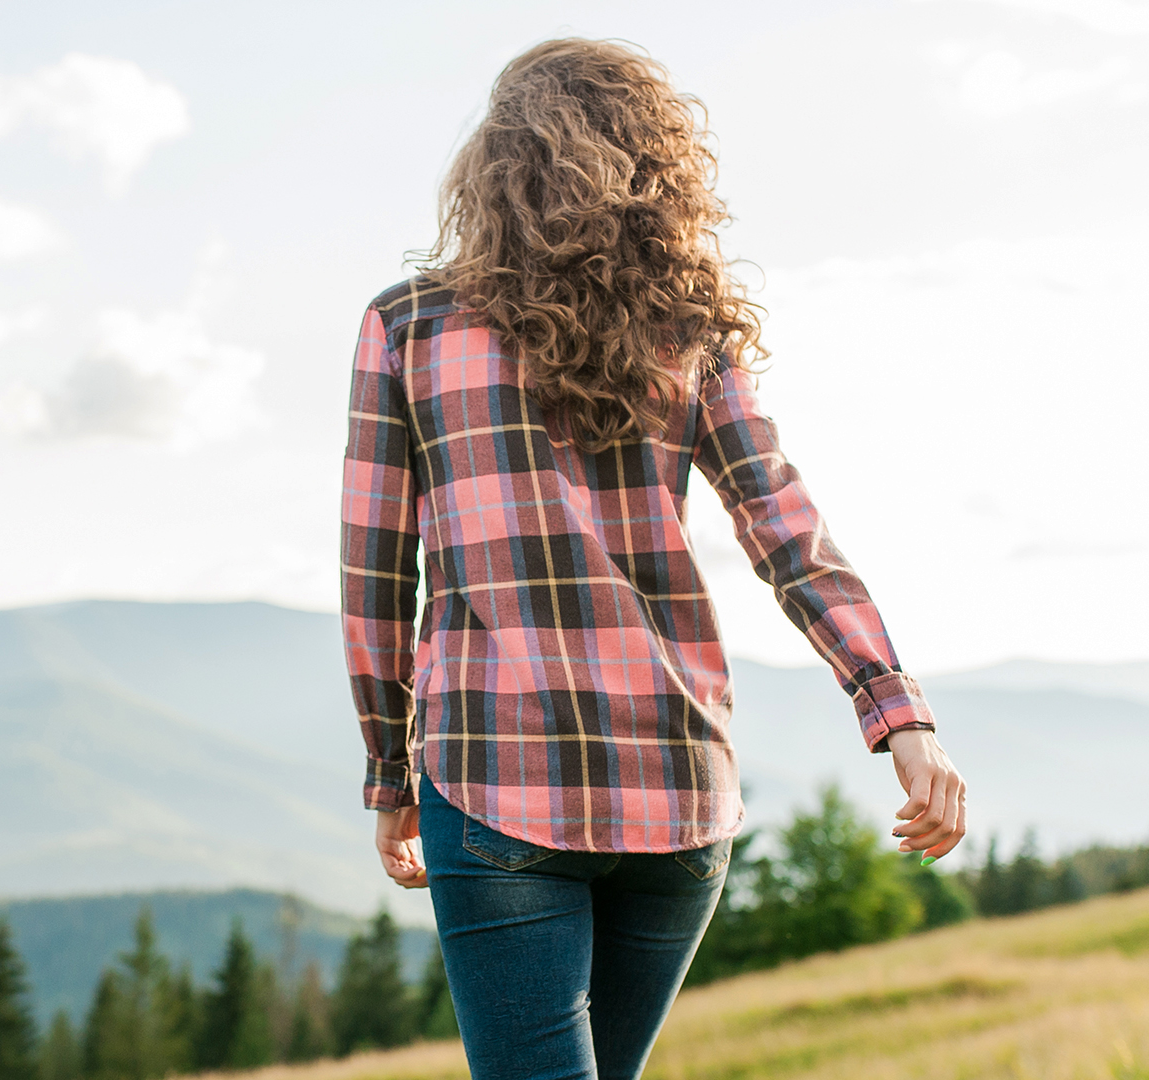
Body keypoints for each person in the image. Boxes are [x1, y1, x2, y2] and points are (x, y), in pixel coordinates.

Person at [339, 38, 966, 1080]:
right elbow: (787, 530)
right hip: (677, 790)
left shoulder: (408, 328)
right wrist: (901, 716)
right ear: (655, 166)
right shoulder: (688, 331)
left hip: (494, 776)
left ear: (491, 165)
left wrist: (388, 774)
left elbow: (373, 577)